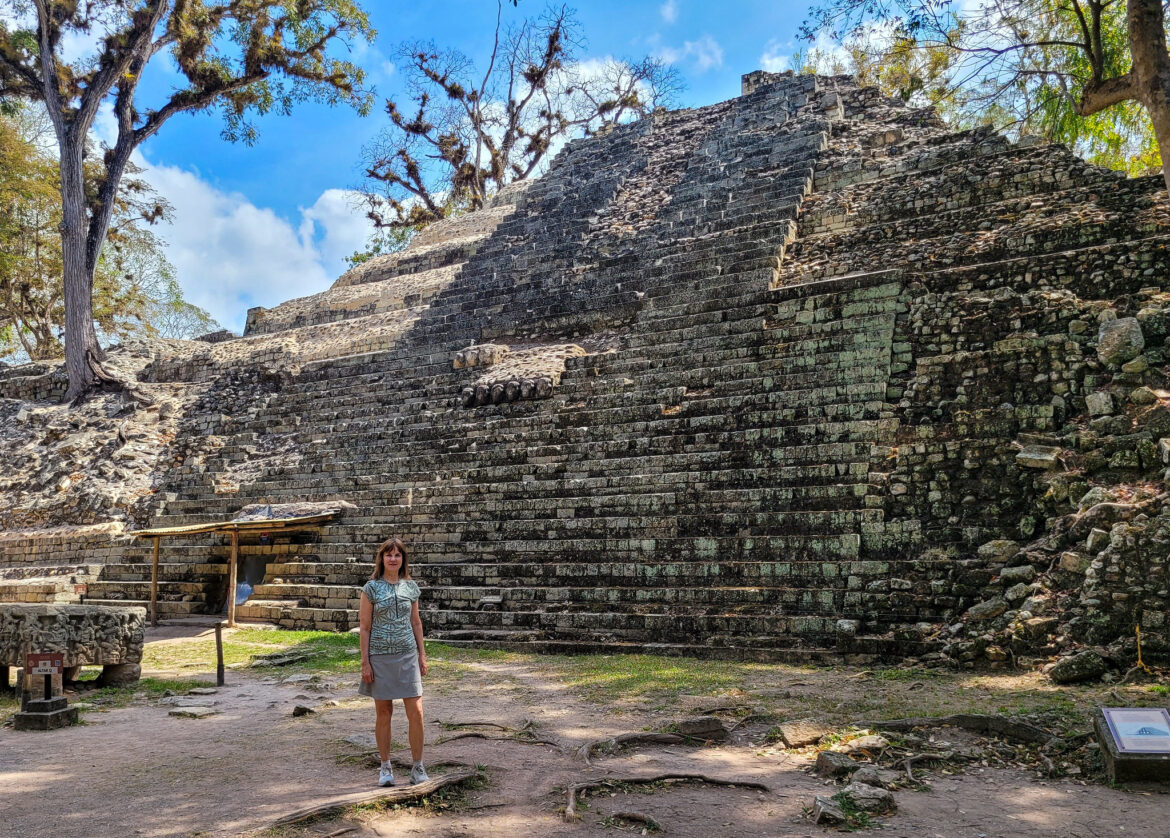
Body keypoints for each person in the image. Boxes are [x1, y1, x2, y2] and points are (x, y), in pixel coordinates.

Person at [359, 537, 428, 786]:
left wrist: (422, 654)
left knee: (416, 711)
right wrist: (365, 662)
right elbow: (365, 627)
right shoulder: (371, 588)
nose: (393, 558)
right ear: (382, 558)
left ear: (403, 560)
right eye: (389, 554)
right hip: (379, 656)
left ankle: (418, 767)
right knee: (384, 712)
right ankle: (385, 767)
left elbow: (416, 622)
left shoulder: (411, 587)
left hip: (407, 654)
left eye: (397, 555)